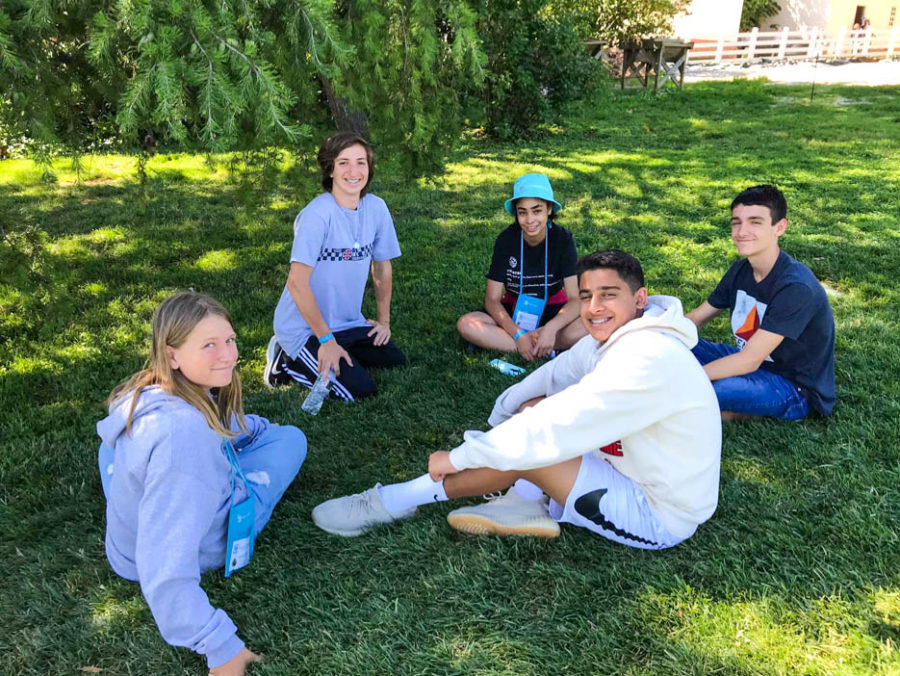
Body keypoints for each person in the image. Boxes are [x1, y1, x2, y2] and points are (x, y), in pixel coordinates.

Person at [312, 250, 721, 550]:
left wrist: (456, 458)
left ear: (640, 298)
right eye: (587, 296)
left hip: (656, 510)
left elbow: (552, 428)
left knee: (536, 446)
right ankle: (521, 501)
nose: (594, 308)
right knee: (532, 410)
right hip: (626, 465)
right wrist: (504, 417)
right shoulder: (627, 335)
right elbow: (555, 375)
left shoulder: (647, 359)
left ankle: (396, 499)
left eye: (609, 295)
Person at [97, 292, 307, 675]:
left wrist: (246, 430)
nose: (227, 355)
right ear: (172, 354)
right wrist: (221, 647)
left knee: (110, 453)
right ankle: (231, 459)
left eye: (229, 340)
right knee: (291, 439)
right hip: (195, 546)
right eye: (209, 345)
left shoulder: (144, 395)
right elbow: (165, 563)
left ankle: (228, 448)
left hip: (125, 548)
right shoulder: (184, 439)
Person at [264, 132, 406, 401]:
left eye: (361, 162)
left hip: (346, 322)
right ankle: (285, 360)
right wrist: (326, 341)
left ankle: (338, 348)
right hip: (304, 327)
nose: (353, 171)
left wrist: (384, 321)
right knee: (360, 391)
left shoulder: (376, 208)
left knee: (393, 358)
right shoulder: (317, 215)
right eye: (343, 163)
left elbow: (382, 266)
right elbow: (296, 283)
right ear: (329, 169)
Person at [686, 185, 835, 420]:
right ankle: (722, 408)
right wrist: (660, 336)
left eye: (755, 222)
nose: (742, 231)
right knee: (676, 345)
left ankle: (736, 410)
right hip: (750, 363)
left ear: (780, 227)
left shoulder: (796, 287)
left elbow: (749, 360)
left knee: (718, 390)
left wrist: (687, 377)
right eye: (736, 222)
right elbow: (695, 319)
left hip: (792, 386)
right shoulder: (741, 270)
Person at [456, 173, 586, 361]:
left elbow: (575, 299)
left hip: (555, 311)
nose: (530, 220)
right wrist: (518, 334)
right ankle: (542, 348)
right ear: (516, 214)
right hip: (515, 311)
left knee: (588, 323)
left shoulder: (562, 239)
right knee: (467, 324)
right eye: (522, 212)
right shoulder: (506, 240)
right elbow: (492, 300)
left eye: (537, 210)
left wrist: (551, 328)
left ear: (549, 209)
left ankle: (525, 343)